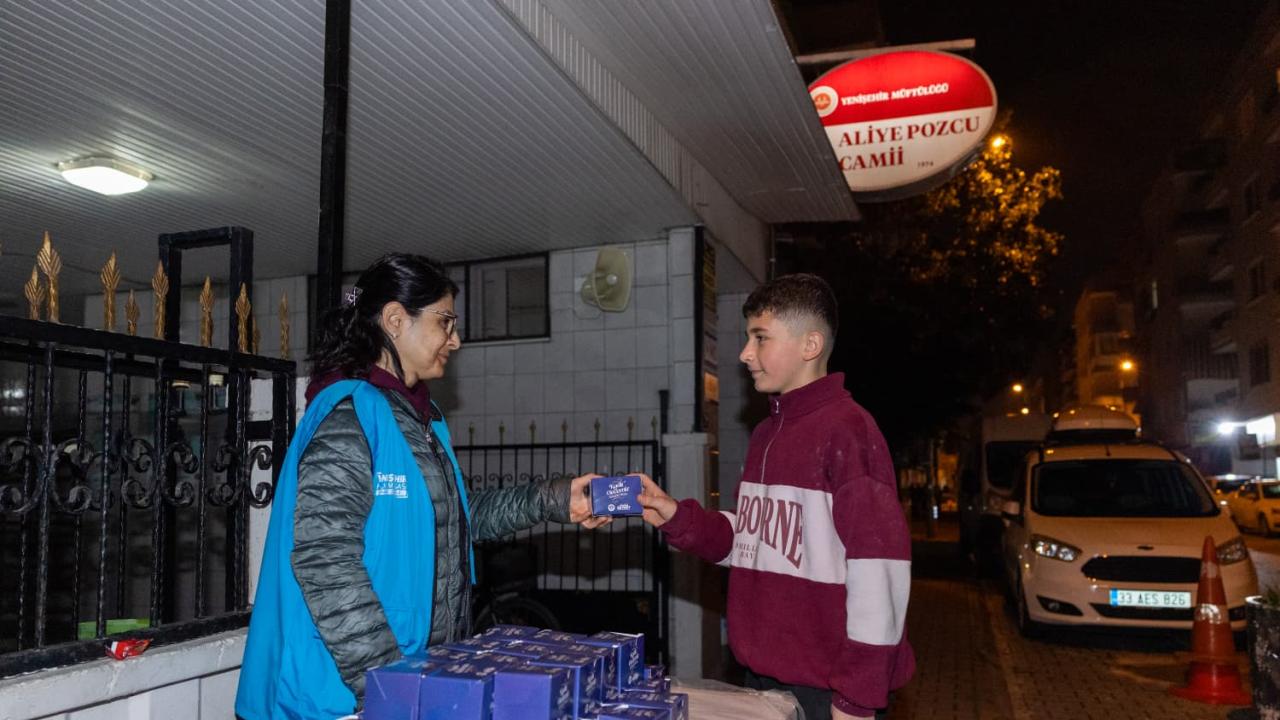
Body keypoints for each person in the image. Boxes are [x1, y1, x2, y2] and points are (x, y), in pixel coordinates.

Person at [235, 253, 606, 720]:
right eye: (444, 321)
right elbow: (326, 560)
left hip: (408, 682)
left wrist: (552, 500)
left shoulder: (419, 418)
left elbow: (452, 518)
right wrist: (389, 685)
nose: (456, 339)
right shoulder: (349, 416)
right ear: (395, 319)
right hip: (342, 698)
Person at [636, 274, 914, 720]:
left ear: (810, 345)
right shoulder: (767, 432)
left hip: (830, 693)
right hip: (763, 683)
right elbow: (752, 540)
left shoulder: (850, 431)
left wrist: (857, 699)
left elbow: (880, 572)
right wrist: (676, 516)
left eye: (760, 337)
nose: (746, 353)